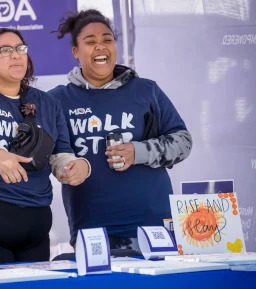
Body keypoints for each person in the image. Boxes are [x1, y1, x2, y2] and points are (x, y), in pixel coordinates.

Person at [0, 28, 91, 266]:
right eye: (5, 50)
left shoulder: (48, 103)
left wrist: (75, 166)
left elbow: (60, 154)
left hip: (35, 230)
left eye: (21, 49)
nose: (16, 55)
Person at [48, 9, 193, 250]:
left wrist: (139, 152)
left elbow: (183, 141)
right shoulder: (57, 100)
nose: (101, 47)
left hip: (153, 226)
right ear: (76, 52)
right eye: (90, 42)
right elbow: (50, 155)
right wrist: (64, 168)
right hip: (93, 230)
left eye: (107, 40)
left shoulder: (146, 90)